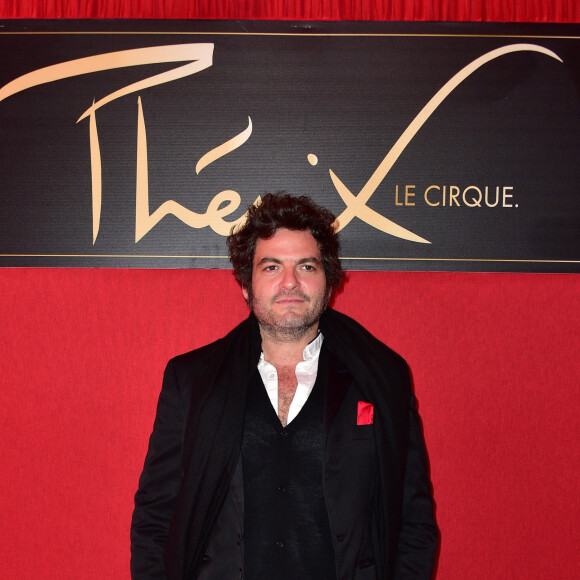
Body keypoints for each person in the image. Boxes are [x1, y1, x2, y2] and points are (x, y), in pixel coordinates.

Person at [130, 192, 438, 580]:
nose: (290, 282)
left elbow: (414, 522)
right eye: (272, 267)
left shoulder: (383, 379)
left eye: (306, 266)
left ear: (328, 284)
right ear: (246, 285)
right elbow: (155, 517)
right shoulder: (191, 380)